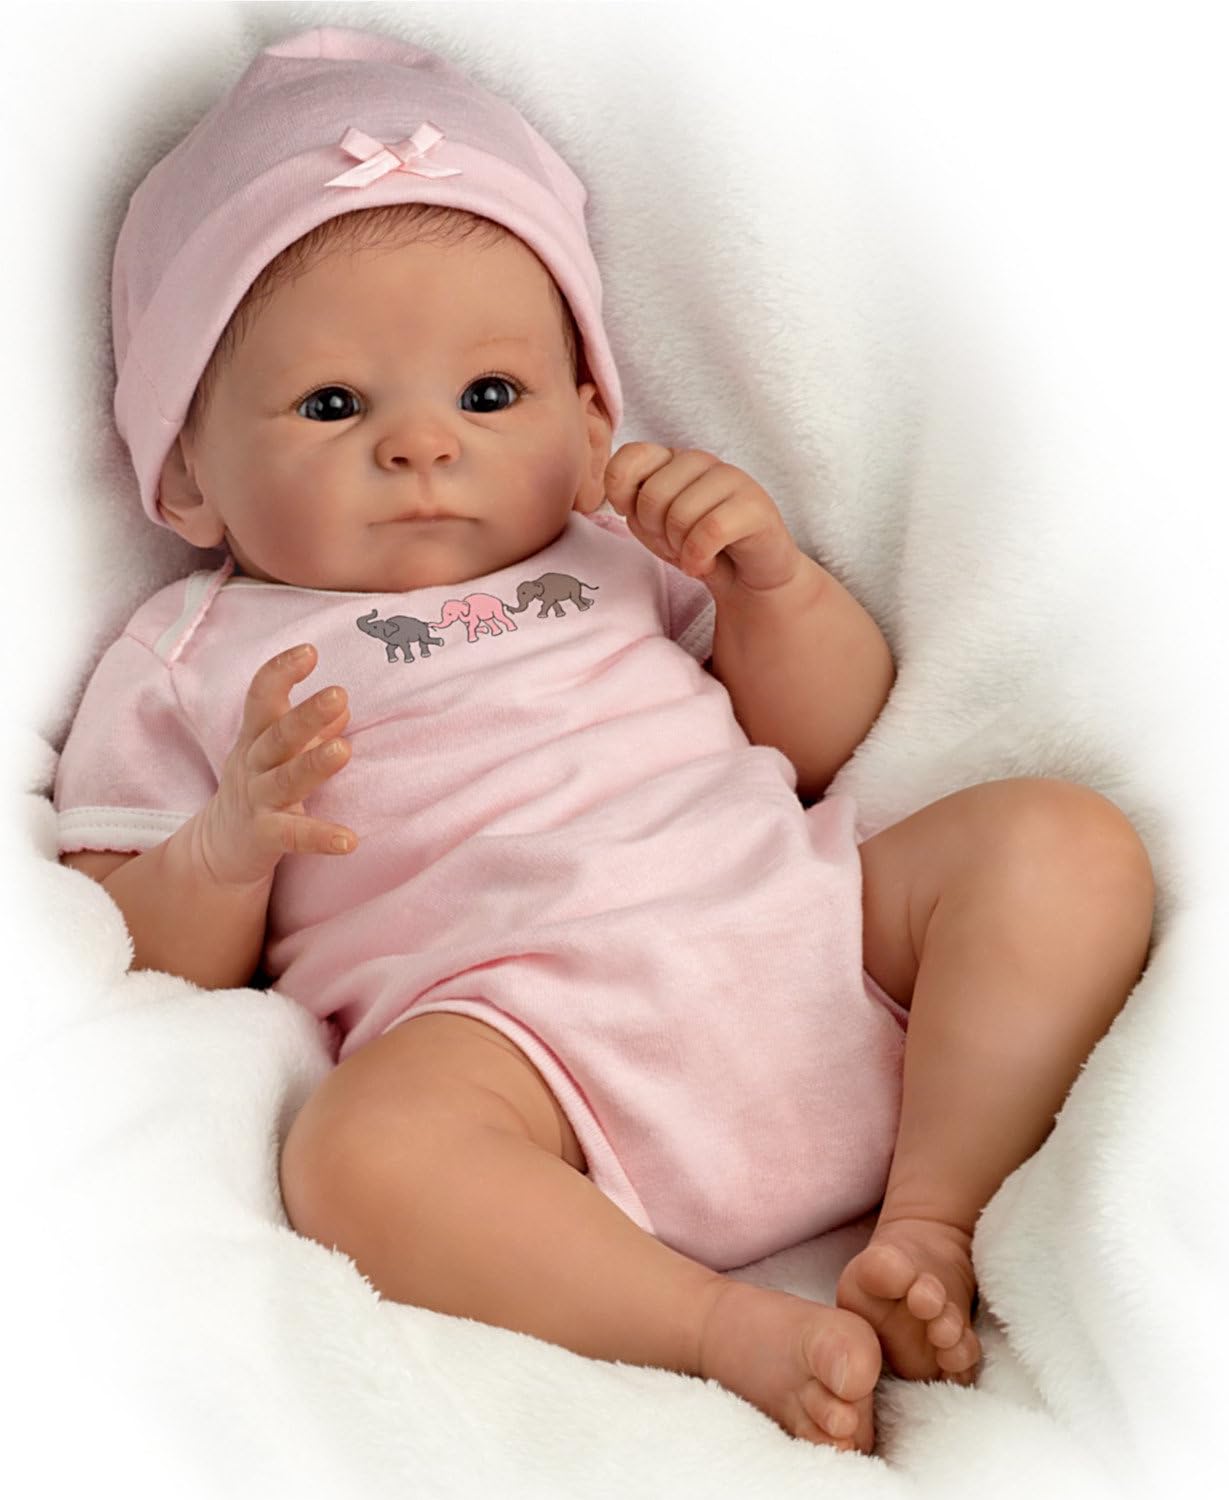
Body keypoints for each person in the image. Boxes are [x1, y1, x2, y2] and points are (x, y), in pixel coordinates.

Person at [55, 27, 1156, 1455]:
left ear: (588, 421)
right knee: (357, 1158)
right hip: (526, 1054)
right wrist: (226, 846)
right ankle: (719, 1329)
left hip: (807, 933)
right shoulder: (187, 657)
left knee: (1059, 842)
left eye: (488, 395)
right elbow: (141, 962)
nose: (422, 446)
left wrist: (771, 589)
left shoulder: (615, 553)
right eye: (333, 405)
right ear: (186, 474)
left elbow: (825, 739)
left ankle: (931, 1221)